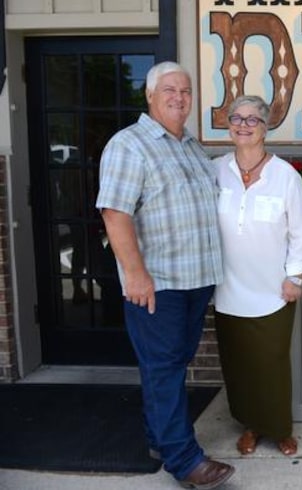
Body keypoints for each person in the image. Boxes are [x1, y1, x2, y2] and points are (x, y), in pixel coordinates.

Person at [96, 61, 235, 489]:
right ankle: (185, 459)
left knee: (172, 364)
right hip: (158, 282)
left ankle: (160, 436)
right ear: (150, 96)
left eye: (186, 91)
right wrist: (135, 276)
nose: (179, 97)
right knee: (164, 368)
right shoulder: (130, 144)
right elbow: (115, 213)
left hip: (196, 279)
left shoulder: (191, 146)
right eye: (170, 90)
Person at [213, 95, 302, 457]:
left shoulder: (284, 176)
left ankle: (280, 429)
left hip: (273, 290)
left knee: (271, 363)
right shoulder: (215, 170)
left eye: (251, 119)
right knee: (239, 364)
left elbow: (300, 233)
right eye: (236, 118)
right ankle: (251, 426)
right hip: (227, 288)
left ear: (265, 127)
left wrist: (295, 278)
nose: (242, 124)